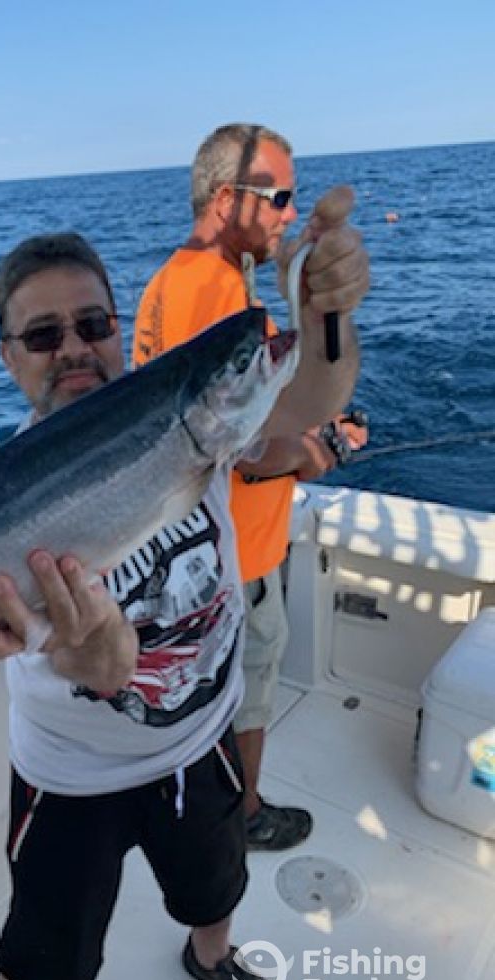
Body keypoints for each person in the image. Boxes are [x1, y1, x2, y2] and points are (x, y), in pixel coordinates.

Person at [0, 227, 368, 980]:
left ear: (119, 329)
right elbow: (103, 671)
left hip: (201, 738)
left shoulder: (194, 419)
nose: (74, 348)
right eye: (43, 335)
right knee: (47, 937)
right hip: (71, 773)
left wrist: (327, 318)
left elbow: (309, 398)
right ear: (9, 356)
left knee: (217, 886)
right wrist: (101, 653)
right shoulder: (5, 503)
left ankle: (211, 958)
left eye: (93, 324)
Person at [133, 123, 368, 851]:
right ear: (225, 199)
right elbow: (236, 454)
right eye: (278, 198)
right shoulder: (216, 294)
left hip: (196, 550)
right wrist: (319, 451)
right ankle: (245, 815)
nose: (289, 214)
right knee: (250, 691)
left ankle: (204, 811)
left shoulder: (175, 281)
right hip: (237, 558)